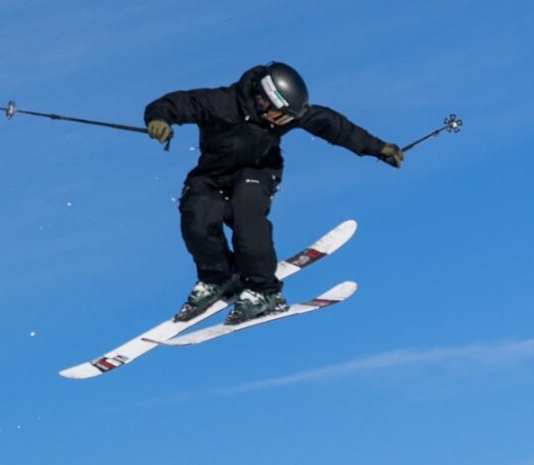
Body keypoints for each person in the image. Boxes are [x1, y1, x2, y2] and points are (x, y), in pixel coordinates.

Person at [143, 62, 401, 325]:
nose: (281, 123)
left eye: (286, 119)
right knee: (196, 217)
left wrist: (377, 148)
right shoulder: (218, 103)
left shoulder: (282, 114)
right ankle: (218, 276)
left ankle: (264, 291)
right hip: (212, 174)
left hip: (258, 171)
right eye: (279, 116)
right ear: (262, 99)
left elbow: (331, 124)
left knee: (247, 217)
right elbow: (176, 103)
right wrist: (158, 120)